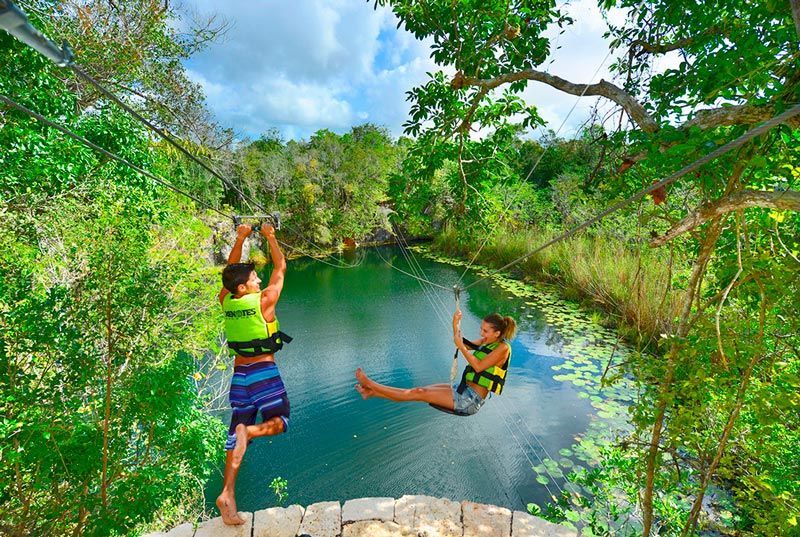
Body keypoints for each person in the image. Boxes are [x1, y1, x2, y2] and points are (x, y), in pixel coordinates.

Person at [215, 223, 291, 525]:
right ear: (244, 287)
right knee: (279, 423)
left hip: (240, 378)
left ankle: (228, 495)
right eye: (253, 278)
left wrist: (242, 238)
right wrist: (271, 237)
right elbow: (281, 267)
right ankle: (251, 431)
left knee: (235, 434)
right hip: (263, 373)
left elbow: (231, 271)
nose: (259, 280)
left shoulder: (226, 299)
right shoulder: (264, 302)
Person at [355, 309, 516, 416]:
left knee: (418, 393)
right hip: (462, 390)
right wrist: (455, 325)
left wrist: (461, 347)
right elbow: (461, 343)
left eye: (485, 331)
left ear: (497, 333)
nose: (481, 333)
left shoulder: (503, 348)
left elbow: (478, 366)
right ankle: (372, 392)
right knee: (418, 391)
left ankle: (371, 384)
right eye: (481, 328)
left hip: (469, 401)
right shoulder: (487, 341)